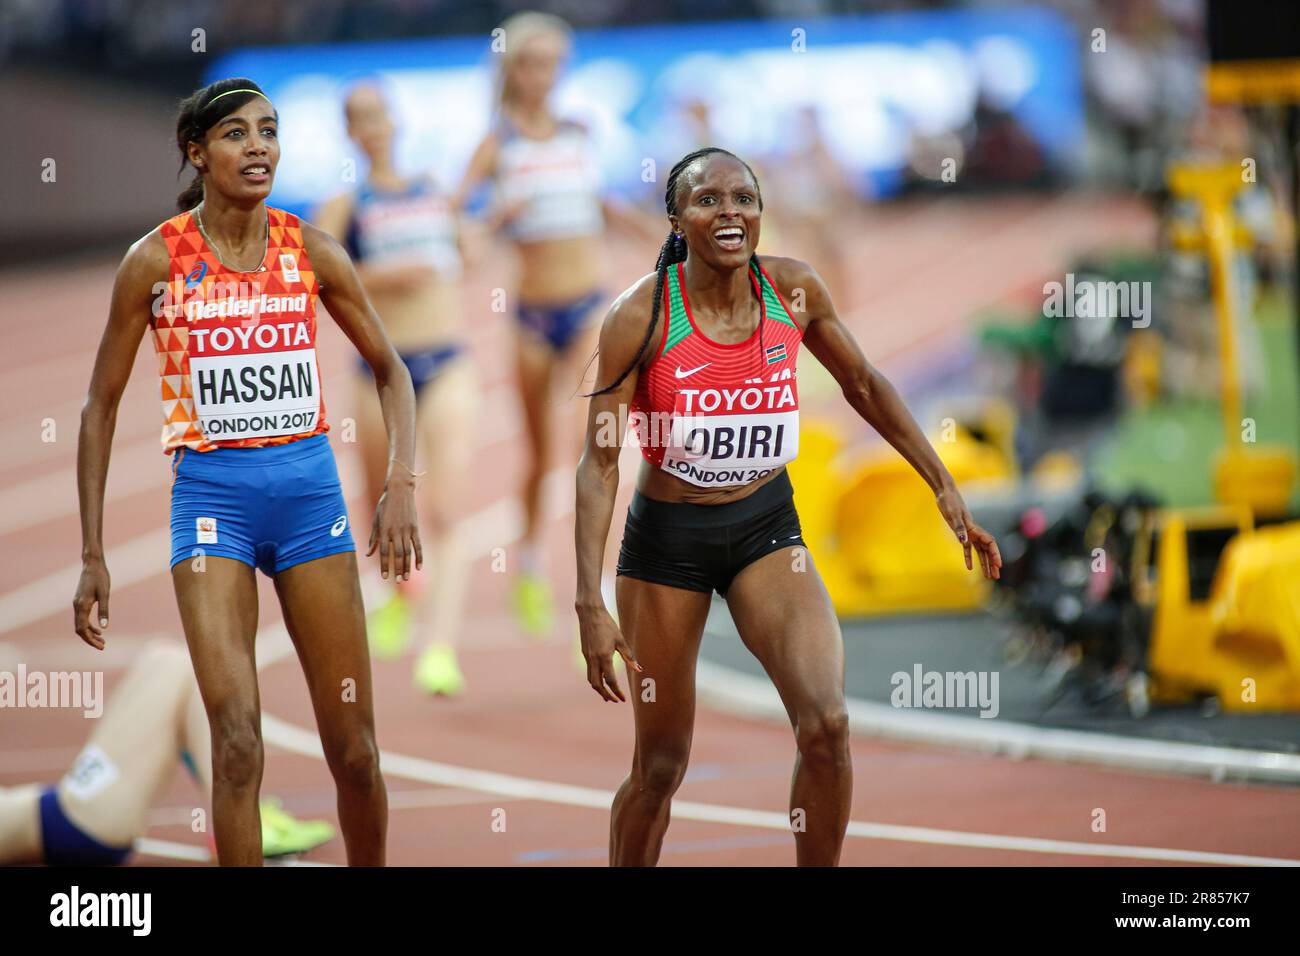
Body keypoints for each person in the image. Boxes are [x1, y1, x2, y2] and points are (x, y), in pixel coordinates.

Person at [574, 147, 1002, 867]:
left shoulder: (794, 292)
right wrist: (589, 600)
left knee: (827, 724)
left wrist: (942, 483)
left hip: (767, 528)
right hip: (667, 546)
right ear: (678, 218)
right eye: (709, 200)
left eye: (745, 198)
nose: (731, 212)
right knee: (660, 767)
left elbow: (864, 383)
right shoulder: (640, 317)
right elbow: (601, 461)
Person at [74, 78, 421, 866]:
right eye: (236, 133)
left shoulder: (312, 249)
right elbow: (98, 407)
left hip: (309, 501)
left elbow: (392, 370)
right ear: (197, 154)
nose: (258, 146)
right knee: (236, 745)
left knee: (357, 751)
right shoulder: (154, 262)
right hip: (212, 504)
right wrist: (94, 554)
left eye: (269, 130)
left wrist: (400, 483)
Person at [455, 11, 656, 637]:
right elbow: (454, 227)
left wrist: (667, 235)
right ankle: (531, 564)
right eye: (532, 62)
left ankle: (591, 582)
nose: (544, 75)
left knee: (589, 444)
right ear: (511, 69)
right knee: (539, 455)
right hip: (532, 316)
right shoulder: (498, 143)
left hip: (590, 304)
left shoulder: (578, 131)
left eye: (553, 63)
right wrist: (493, 218)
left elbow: (600, 203)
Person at [317, 81, 477, 697]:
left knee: (445, 508)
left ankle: (440, 648)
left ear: (395, 120)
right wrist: (388, 273)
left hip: (447, 363)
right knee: (378, 498)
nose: (374, 127)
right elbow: (322, 277)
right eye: (360, 119)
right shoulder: (345, 204)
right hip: (383, 372)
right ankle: (393, 591)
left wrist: (488, 229)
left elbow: (466, 251)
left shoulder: (433, 190)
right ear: (350, 132)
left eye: (380, 114)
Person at [0, 642, 334, 865]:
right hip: (76, 819)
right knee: (176, 664)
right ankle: (239, 821)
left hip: (64, 815)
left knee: (167, 659)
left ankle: (239, 816)